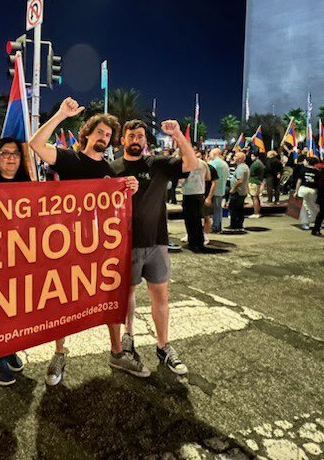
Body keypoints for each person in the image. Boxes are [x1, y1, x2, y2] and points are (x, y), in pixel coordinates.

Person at [29, 98, 141, 386]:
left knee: (108, 297)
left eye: (107, 135)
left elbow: (120, 203)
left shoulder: (112, 170)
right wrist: (61, 114)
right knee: (61, 300)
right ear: (87, 134)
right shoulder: (69, 159)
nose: (103, 138)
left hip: (99, 246)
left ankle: (116, 351)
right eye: (99, 132)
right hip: (65, 244)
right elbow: (36, 145)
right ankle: (59, 353)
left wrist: (132, 186)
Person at [111, 119, 196, 376]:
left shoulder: (158, 164)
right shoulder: (113, 169)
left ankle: (163, 346)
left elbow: (191, 163)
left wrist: (178, 135)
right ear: (123, 140)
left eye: (140, 136)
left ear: (145, 141)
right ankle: (129, 335)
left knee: (160, 296)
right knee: (127, 295)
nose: (135, 140)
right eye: (131, 136)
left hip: (157, 242)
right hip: (125, 245)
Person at [0, 137, 30, 386]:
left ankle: (8, 346)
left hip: (20, 254)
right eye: (5, 153)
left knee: (15, 305)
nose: (11, 158)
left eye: (15, 154)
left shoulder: (28, 184)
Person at [180, 151, 214, 252]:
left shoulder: (186, 163)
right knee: (198, 219)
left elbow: (181, 180)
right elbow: (208, 177)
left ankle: (193, 243)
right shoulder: (203, 163)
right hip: (200, 193)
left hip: (188, 193)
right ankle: (200, 241)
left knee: (190, 220)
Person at [294, 157, 320, 230]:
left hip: (303, 189)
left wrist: (296, 191)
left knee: (304, 207)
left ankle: (305, 223)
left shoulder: (303, 170)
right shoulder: (317, 171)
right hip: (313, 190)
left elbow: (299, 181)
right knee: (313, 206)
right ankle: (314, 221)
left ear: (308, 162)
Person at [207, 148, 229, 233]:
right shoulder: (225, 164)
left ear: (214, 154)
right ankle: (217, 225)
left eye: (210, 153)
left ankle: (215, 226)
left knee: (211, 210)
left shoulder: (212, 164)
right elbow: (227, 176)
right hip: (221, 189)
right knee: (218, 208)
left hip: (212, 190)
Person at [227, 151, 250, 232]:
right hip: (241, 192)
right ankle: (238, 224)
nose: (234, 157)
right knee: (239, 209)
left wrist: (233, 189)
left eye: (236, 156)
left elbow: (240, 181)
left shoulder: (241, 168)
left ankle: (234, 225)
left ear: (240, 159)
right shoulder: (243, 166)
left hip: (238, 192)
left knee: (234, 209)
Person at [248, 151, 265, 218]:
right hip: (258, 181)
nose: (252, 157)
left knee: (254, 197)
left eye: (253, 156)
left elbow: (250, 172)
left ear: (256, 156)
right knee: (257, 197)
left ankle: (256, 213)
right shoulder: (260, 163)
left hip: (253, 181)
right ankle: (257, 212)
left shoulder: (255, 164)